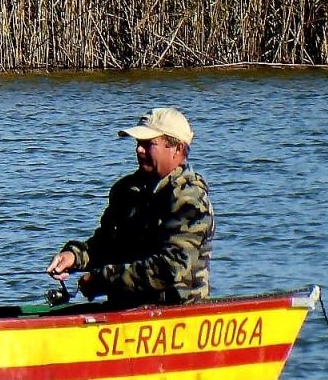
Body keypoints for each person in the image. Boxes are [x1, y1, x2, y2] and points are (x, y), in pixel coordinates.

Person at [45, 106, 214, 308]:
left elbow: (171, 268)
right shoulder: (125, 190)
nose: (138, 150)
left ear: (177, 148)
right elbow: (106, 244)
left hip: (176, 312)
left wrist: (101, 280)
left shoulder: (189, 197)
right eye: (138, 143)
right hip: (125, 309)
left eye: (148, 144)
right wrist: (74, 257)